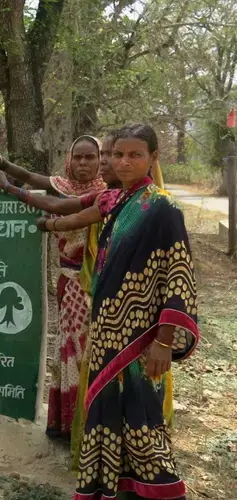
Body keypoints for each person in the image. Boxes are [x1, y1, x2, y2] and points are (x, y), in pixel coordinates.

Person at [39, 124, 198, 500]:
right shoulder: (115, 200)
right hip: (106, 329)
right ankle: (108, 484)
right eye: (118, 154)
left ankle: (161, 489)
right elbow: (71, 215)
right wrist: (42, 221)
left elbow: (178, 274)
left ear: (153, 158)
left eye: (135, 155)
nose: (123, 162)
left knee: (142, 410)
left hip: (142, 337)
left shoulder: (163, 208)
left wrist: (163, 340)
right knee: (107, 407)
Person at [0, 137, 107, 439]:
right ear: (69, 160)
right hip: (66, 282)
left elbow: (55, 206)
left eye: (91, 157)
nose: (84, 164)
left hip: (95, 286)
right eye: (79, 158)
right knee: (68, 349)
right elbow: (36, 180)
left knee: (87, 351)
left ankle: (87, 423)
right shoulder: (65, 185)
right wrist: (0, 162)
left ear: (101, 159)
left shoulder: (106, 193)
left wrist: (10, 188)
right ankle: (67, 422)